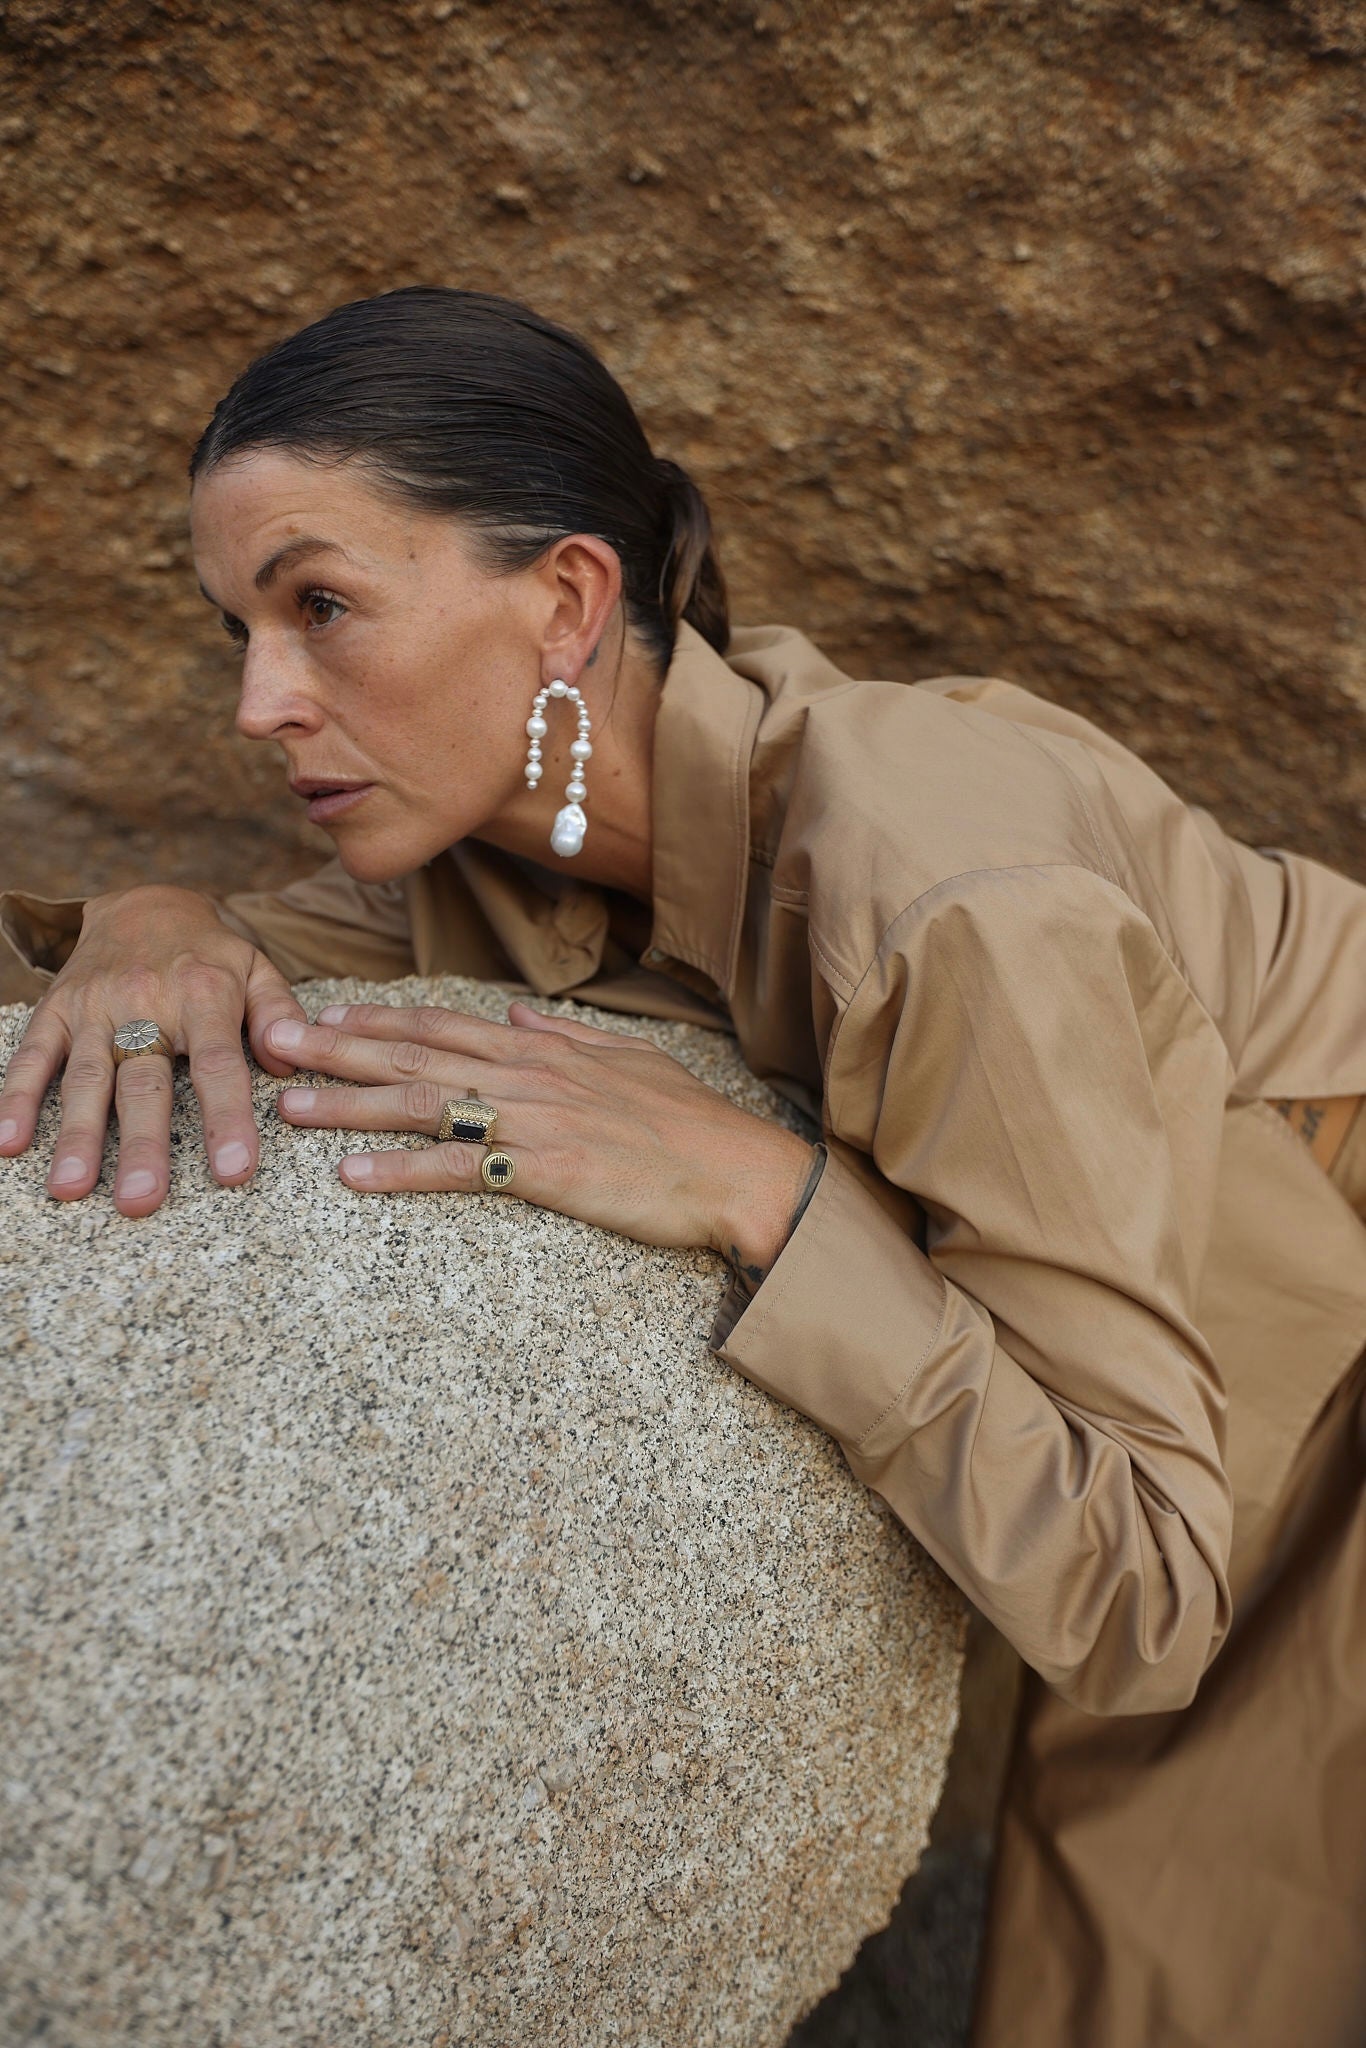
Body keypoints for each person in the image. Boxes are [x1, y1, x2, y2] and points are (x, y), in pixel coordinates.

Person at [1, 286, 1363, 2047]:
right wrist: (142, 917)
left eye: (321, 608)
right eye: (240, 634)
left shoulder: (944, 893)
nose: (262, 704)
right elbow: (247, 961)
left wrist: (765, 1201)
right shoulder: (515, 843)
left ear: (566, 600)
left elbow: (1144, 1597)